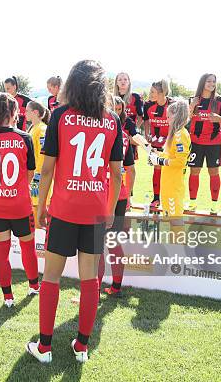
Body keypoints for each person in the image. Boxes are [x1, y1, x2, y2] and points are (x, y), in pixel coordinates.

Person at [27, 59, 123, 364]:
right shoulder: (113, 121)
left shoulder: (60, 116)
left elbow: (48, 168)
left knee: (52, 278)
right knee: (89, 280)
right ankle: (82, 346)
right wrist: (109, 211)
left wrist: (41, 207)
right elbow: (118, 174)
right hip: (95, 210)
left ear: (72, 84)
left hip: (65, 209)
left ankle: (44, 348)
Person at [0, 92, 39, 307]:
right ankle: (33, 286)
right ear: (13, 112)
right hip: (20, 205)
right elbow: (30, 173)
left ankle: (7, 297)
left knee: (1, 251)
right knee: (27, 247)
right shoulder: (24, 137)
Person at [98, 96, 135, 296]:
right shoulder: (124, 136)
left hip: (101, 193)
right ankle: (116, 287)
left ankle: (93, 291)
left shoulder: (97, 130)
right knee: (113, 243)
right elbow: (131, 170)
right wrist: (128, 195)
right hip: (119, 195)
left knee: (96, 246)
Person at [187, 74, 221, 215]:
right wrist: (192, 106)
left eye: (213, 81)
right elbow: (186, 119)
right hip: (196, 142)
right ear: (202, 83)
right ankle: (192, 203)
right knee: (194, 171)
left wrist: (219, 119)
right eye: (208, 81)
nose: (211, 83)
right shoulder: (193, 99)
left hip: (213, 142)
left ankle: (214, 205)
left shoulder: (219, 100)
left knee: (214, 172)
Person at [148, 100, 191, 233]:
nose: (166, 119)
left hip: (174, 186)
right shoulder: (176, 134)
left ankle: (178, 252)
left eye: (168, 116)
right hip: (168, 185)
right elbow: (171, 156)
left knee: (176, 221)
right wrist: (157, 154)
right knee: (172, 221)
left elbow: (180, 161)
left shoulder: (179, 135)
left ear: (176, 115)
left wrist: (160, 161)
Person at [143, 79, 173, 208]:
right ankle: (156, 199)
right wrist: (147, 133)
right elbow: (145, 120)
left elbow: (177, 123)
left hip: (170, 144)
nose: (150, 93)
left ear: (162, 92)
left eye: (153, 91)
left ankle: (170, 199)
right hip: (155, 144)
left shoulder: (172, 104)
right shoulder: (148, 105)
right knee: (157, 170)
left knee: (170, 171)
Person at [26, 100, 50, 228]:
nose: (25, 113)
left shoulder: (41, 129)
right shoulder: (34, 128)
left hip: (38, 176)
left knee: (40, 206)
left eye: (27, 111)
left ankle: (41, 239)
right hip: (35, 175)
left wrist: (38, 175)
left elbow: (43, 154)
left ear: (35, 112)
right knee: (35, 206)